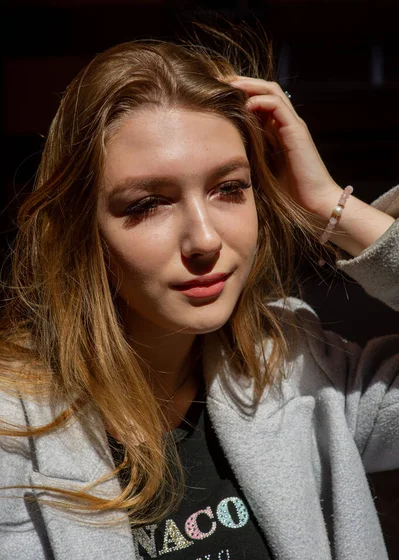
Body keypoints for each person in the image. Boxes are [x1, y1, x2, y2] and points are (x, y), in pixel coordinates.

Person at [0, 32, 398, 560]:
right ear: (80, 230)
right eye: (148, 203)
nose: (205, 239)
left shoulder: (295, 367)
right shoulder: (14, 427)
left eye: (230, 188)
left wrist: (332, 208)